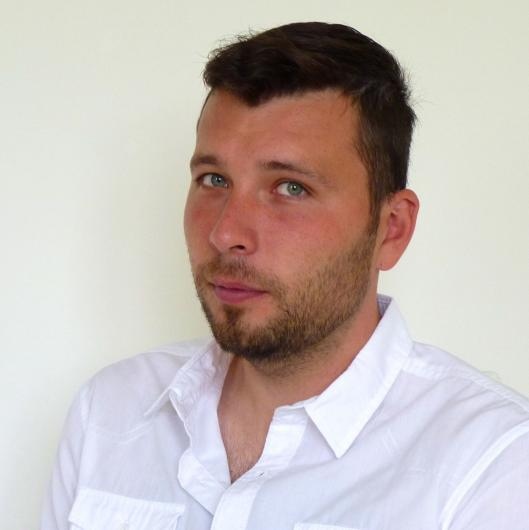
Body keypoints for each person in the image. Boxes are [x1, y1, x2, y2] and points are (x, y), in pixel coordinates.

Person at [41, 22, 529, 530]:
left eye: (290, 188)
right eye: (214, 179)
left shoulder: (494, 465)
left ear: (391, 229)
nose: (226, 233)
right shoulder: (110, 412)